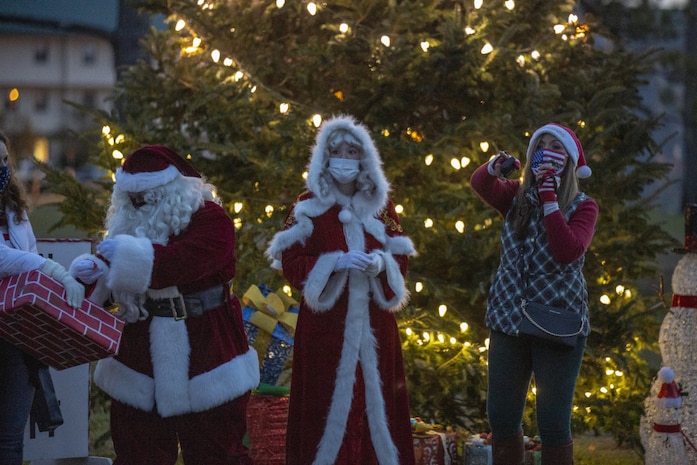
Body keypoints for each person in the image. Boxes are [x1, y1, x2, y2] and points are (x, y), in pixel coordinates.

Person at [70, 145, 259, 465]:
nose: (138, 204)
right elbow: (108, 277)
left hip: (206, 352)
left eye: (147, 196)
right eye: (131, 198)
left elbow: (186, 261)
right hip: (139, 358)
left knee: (218, 454)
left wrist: (126, 261)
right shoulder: (127, 225)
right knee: (138, 454)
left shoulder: (211, 219)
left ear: (175, 188)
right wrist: (93, 273)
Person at [266, 115, 417, 465]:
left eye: (352, 150)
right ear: (324, 156)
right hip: (324, 330)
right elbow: (291, 263)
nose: (344, 158)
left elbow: (399, 258)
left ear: (364, 157)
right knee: (324, 406)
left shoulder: (380, 205)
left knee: (375, 406)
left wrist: (381, 265)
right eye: (336, 151)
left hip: (375, 327)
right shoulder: (307, 206)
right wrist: (332, 264)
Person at [470, 123, 598, 465]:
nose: (547, 150)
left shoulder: (584, 206)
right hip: (508, 318)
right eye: (541, 145)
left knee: (553, 423)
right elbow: (480, 184)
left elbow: (568, 251)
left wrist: (550, 202)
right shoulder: (514, 195)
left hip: (557, 321)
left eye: (556, 146)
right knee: (501, 416)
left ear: (568, 162)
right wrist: (495, 167)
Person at [0, 131, 84, 465]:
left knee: (10, 437)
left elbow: (27, 256)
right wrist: (53, 270)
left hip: (17, 335)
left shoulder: (14, 208)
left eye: (4, 160)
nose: (2, 168)